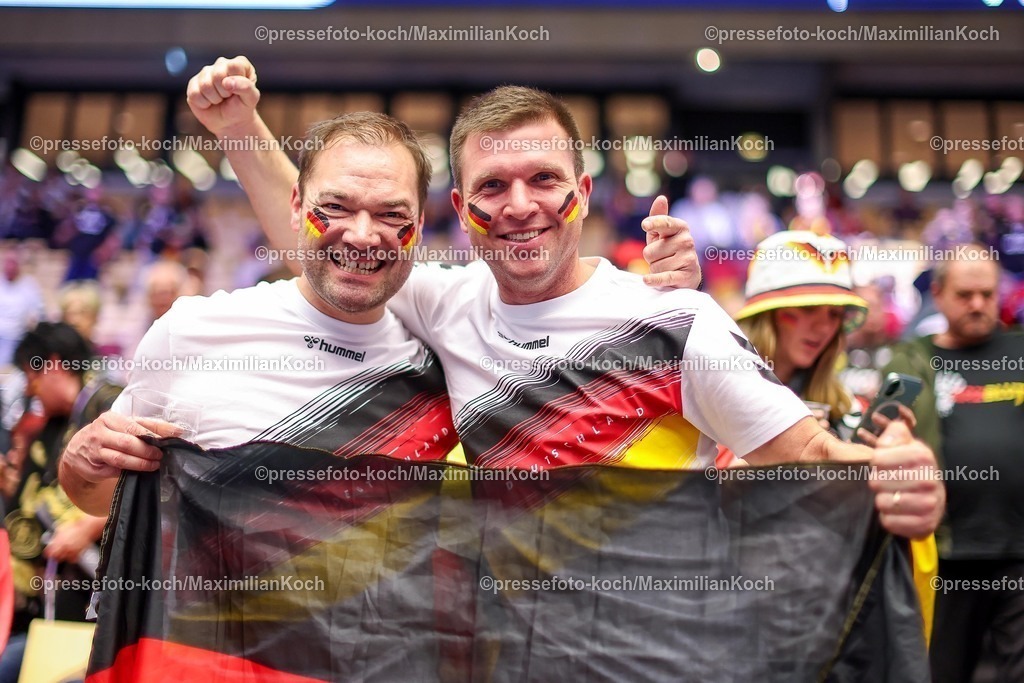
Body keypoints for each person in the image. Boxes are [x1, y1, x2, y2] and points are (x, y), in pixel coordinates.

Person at [172, 56, 944, 540]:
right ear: (461, 208)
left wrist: (898, 477)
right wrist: (240, 125)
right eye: (492, 187)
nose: (520, 206)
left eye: (543, 179)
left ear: (581, 192)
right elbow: (328, 240)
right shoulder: (445, 303)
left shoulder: (674, 320)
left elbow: (808, 453)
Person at [59, 112, 463, 518]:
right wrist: (80, 467)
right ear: (296, 206)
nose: (362, 236)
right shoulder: (192, 331)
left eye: (391, 215)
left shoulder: (446, 362)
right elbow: (105, 496)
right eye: (335, 206)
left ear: (419, 225)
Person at [727, 230, 937, 640]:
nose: (822, 327)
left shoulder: (846, 410)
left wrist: (885, 462)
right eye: (806, 309)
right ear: (766, 316)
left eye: (834, 314)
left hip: (828, 616)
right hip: (734, 609)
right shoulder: (708, 402)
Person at [883, 245, 1024, 683]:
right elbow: (876, 436)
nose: (978, 304)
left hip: (1019, 551)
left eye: (987, 294)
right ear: (939, 294)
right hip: (944, 553)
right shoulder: (911, 360)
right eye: (965, 295)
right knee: (940, 672)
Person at [0, 323, 118, 683]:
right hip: (53, 600)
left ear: (51, 364)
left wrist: (86, 528)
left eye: (30, 376)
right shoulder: (48, 430)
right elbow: (32, 506)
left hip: (106, 593)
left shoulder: (111, 403)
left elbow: (151, 483)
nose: (30, 389)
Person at [0, 249, 44, 368]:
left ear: (19, 265)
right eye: (8, 262)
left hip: (16, 336)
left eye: (13, 263)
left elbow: (39, 313)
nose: (10, 266)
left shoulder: (29, 286)